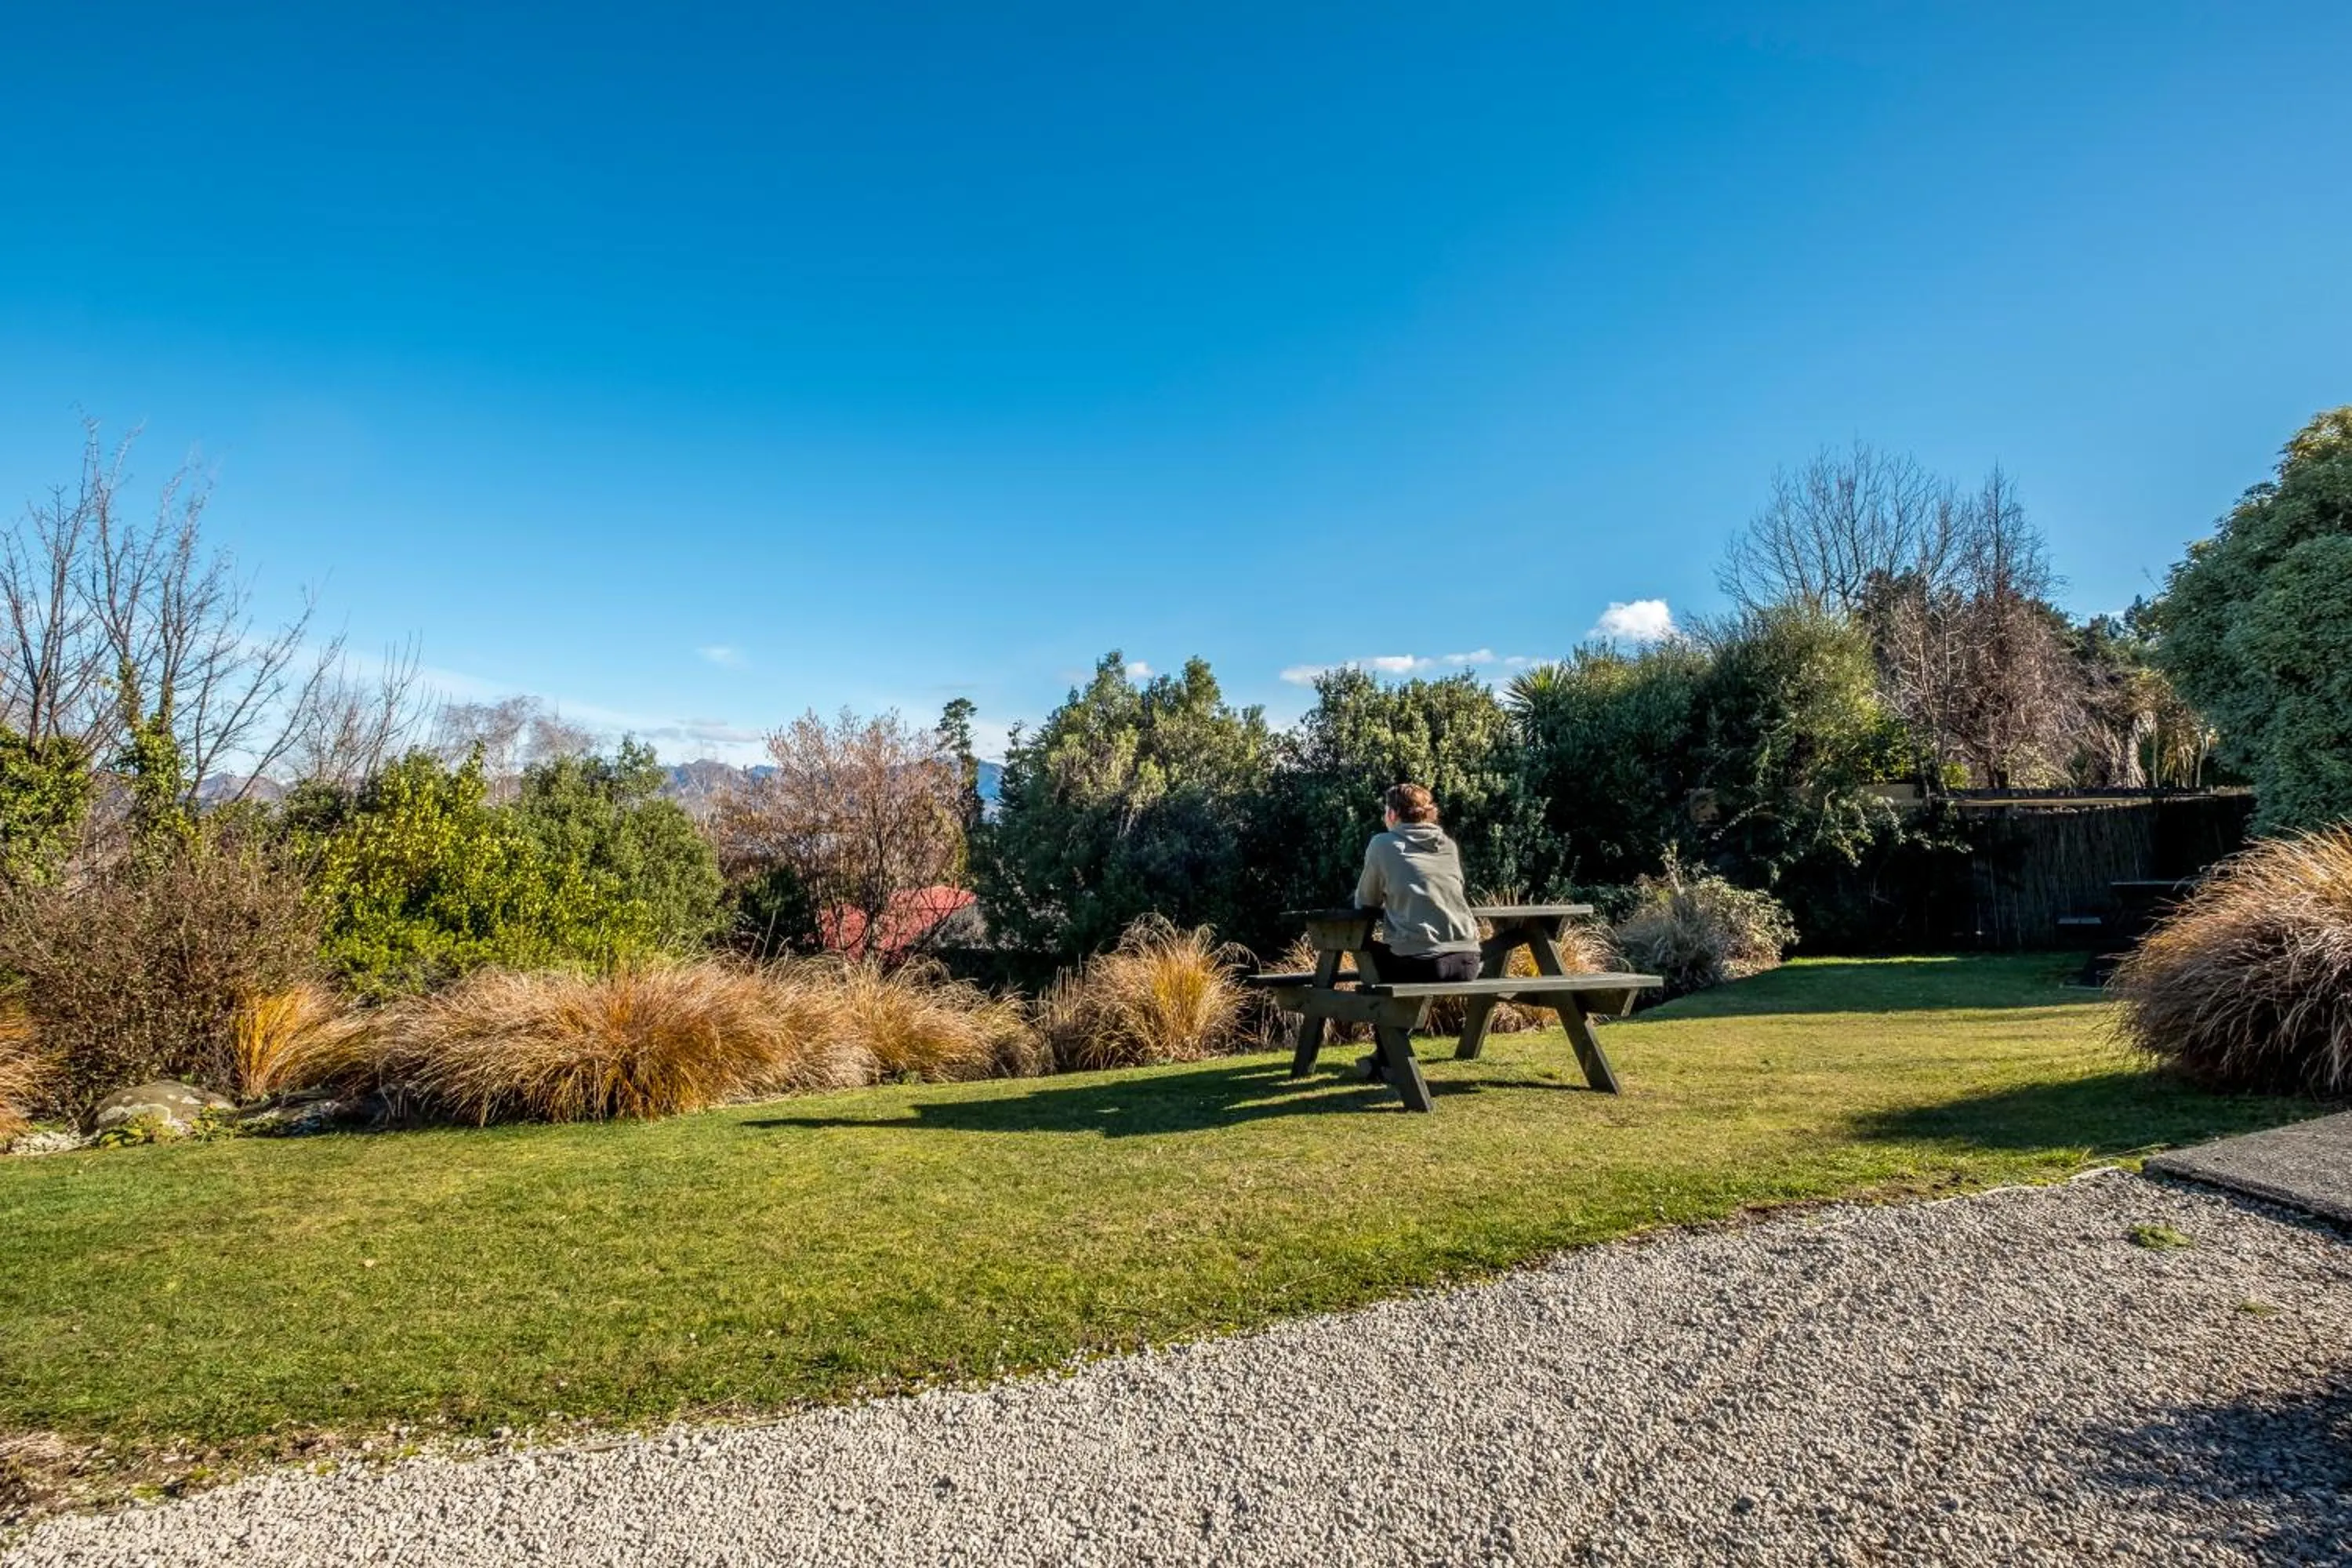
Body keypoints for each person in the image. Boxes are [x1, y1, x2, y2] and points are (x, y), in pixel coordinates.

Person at [1356, 782, 1483, 984]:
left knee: (1357, 946)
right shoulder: (1448, 844)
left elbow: (1366, 902)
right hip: (1468, 961)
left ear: (1392, 814)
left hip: (1422, 963)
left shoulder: (1382, 844)